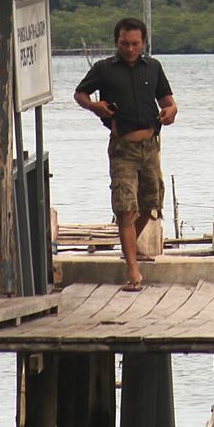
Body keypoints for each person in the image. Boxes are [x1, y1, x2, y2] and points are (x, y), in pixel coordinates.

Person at [74, 17, 177, 290]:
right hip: (123, 148)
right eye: (124, 43)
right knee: (125, 207)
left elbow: (169, 102)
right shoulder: (104, 69)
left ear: (143, 43)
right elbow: (80, 94)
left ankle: (130, 248)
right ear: (116, 42)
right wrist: (95, 106)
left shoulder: (153, 67)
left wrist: (170, 113)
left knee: (151, 204)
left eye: (134, 43)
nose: (129, 49)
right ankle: (133, 270)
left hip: (151, 146)